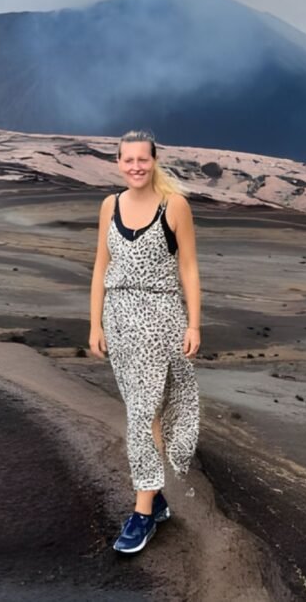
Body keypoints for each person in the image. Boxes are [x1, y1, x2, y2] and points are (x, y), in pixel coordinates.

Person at [88, 129, 202, 555]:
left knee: (141, 414)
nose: (135, 166)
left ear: (154, 161)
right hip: (118, 321)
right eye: (127, 159)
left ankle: (140, 514)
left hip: (160, 320)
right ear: (118, 162)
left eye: (143, 159)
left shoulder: (175, 207)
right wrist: (95, 324)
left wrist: (194, 325)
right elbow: (102, 265)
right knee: (145, 410)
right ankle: (154, 502)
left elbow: (189, 268)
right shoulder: (109, 205)